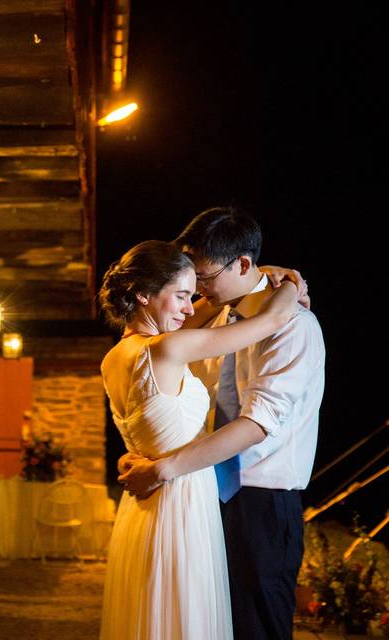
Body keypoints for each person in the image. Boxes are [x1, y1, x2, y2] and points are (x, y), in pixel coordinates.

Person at [119, 207, 325, 640]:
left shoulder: (296, 328)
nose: (196, 289)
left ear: (243, 265)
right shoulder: (208, 322)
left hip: (262, 506)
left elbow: (257, 425)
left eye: (204, 278)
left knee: (257, 629)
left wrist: (165, 467)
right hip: (201, 493)